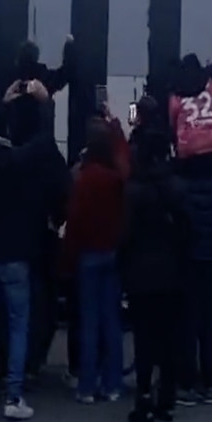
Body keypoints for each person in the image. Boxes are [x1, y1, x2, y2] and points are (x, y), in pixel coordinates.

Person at [0, 79, 59, 422]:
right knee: (18, 326)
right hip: (15, 254)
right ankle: (14, 396)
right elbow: (44, 142)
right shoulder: (18, 162)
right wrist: (45, 104)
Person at [167, 54, 212, 406]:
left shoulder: (176, 99)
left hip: (190, 255)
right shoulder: (209, 90)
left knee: (188, 318)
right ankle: (211, 380)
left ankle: (186, 379)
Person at [119, 107, 188, 422]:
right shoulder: (177, 187)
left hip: (141, 273)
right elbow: (187, 231)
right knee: (170, 337)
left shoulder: (133, 190)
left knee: (144, 339)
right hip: (172, 272)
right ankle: (167, 399)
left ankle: (144, 397)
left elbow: (125, 236)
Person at [61, 115, 128, 403]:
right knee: (111, 321)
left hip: (87, 254)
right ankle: (113, 384)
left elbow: (74, 220)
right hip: (112, 253)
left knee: (88, 322)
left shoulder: (83, 177)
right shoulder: (117, 179)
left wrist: (67, 258)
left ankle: (87, 385)